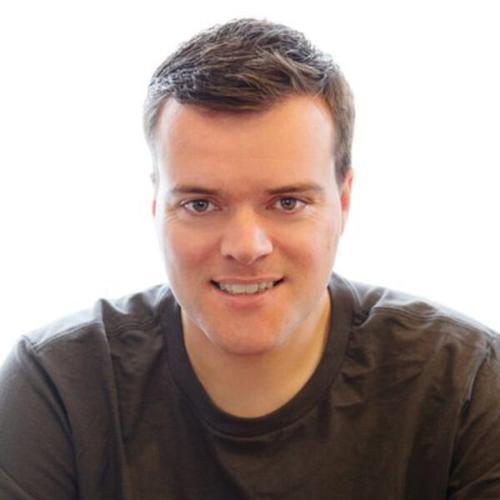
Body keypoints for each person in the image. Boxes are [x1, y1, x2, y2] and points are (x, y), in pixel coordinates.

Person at [1, 17, 499, 500]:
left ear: (343, 202)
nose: (245, 246)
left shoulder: (466, 385)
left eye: (287, 203)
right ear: (156, 207)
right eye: (200, 204)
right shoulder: (58, 387)